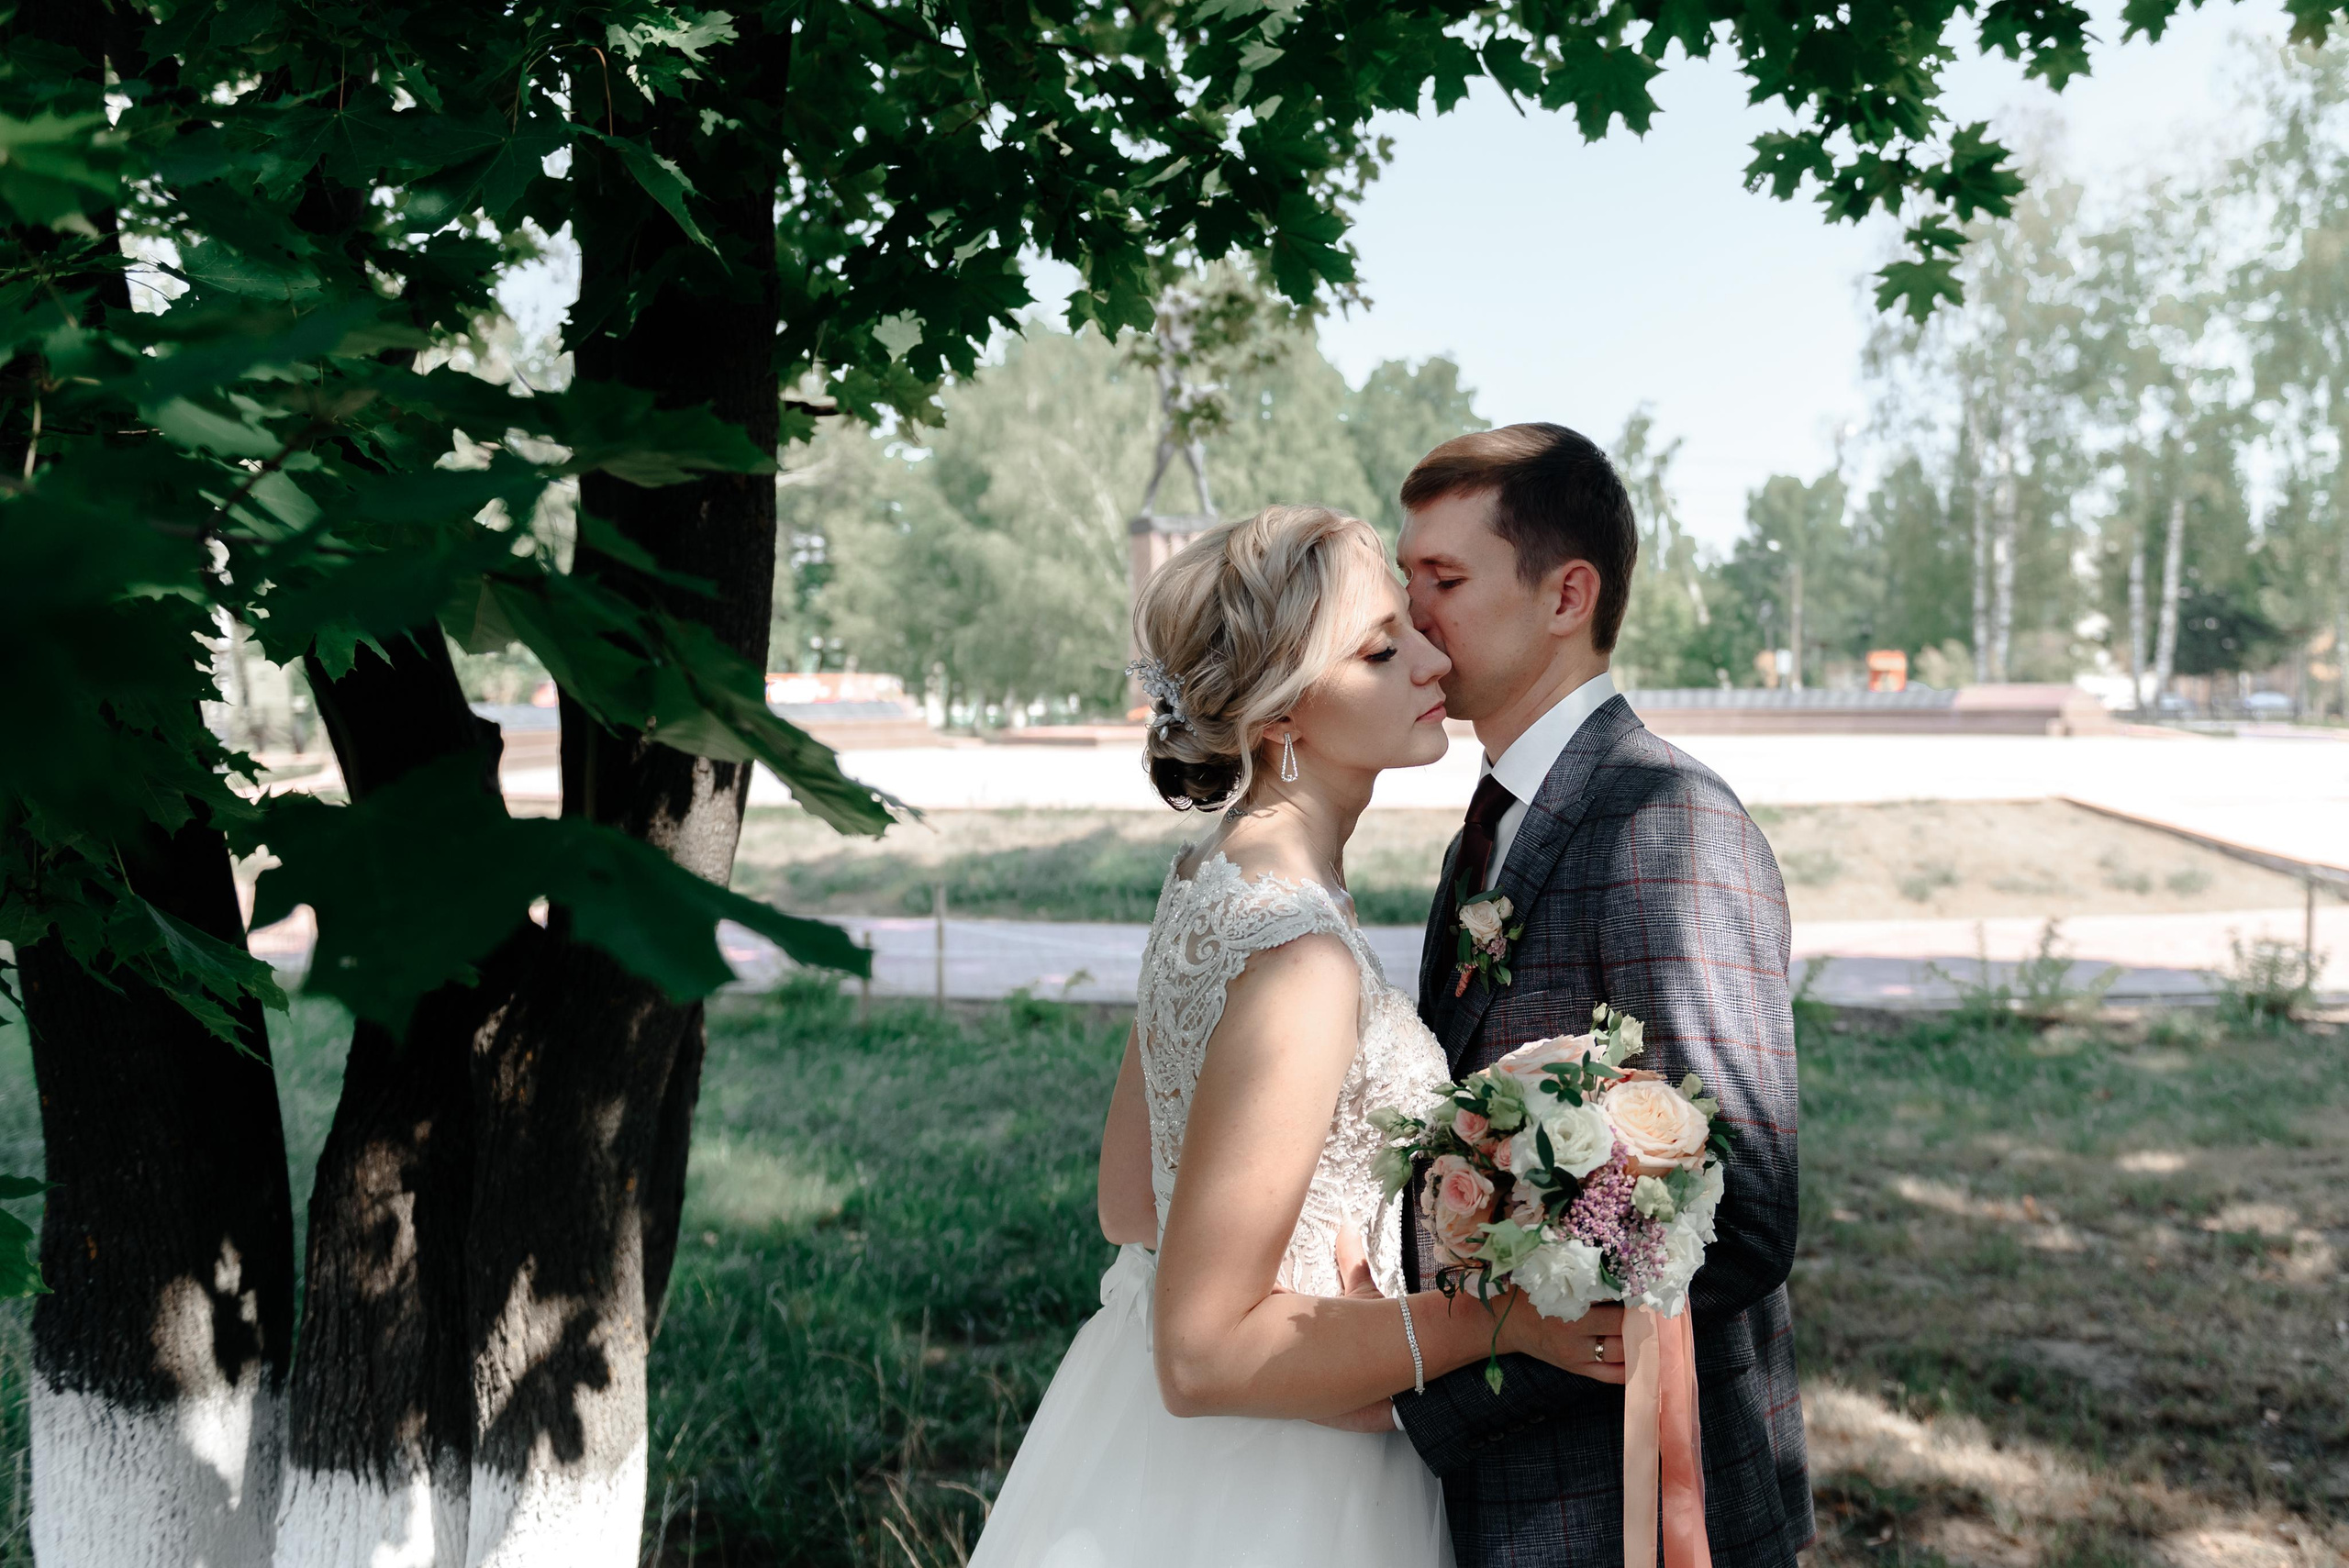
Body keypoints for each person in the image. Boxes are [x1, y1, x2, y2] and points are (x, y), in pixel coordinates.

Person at [968, 505, 1629, 1568]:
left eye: (1413, 626)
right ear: (1281, 712)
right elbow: (1201, 1355)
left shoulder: (1210, 873)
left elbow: (1132, 1199)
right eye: (1379, 650)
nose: (1432, 658)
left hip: (1154, 1448)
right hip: (1279, 1487)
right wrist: (1499, 1319)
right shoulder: (1300, 957)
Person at [1392, 424, 1814, 1567]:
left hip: (1626, 1503)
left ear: (1566, 594)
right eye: (1405, 576)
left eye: (1444, 579)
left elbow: (1740, 1217)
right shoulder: (1493, 824)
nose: (1408, 615)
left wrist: (1434, 1380)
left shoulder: (1665, 825)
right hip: (1518, 1495)